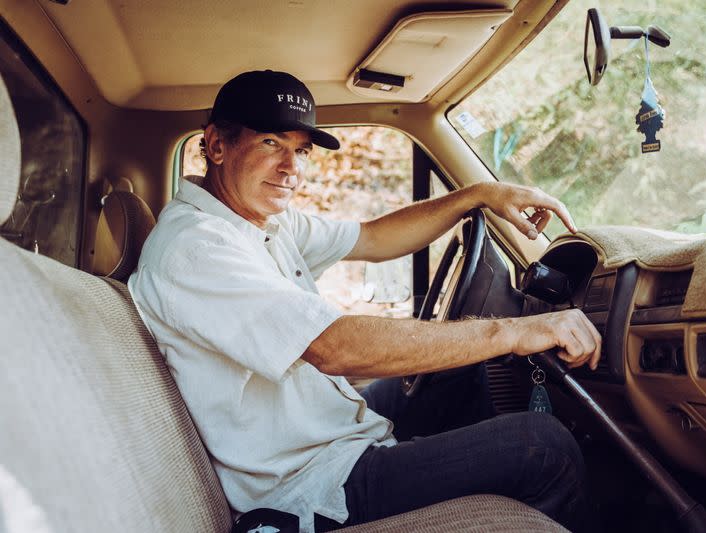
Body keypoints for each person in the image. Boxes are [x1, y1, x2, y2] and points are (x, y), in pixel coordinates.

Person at [128, 70, 601, 533]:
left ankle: (467, 483)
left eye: (301, 150)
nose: (291, 167)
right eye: (271, 143)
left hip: (326, 433)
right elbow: (334, 349)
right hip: (310, 486)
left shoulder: (261, 222)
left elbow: (374, 237)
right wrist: (511, 331)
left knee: (456, 368)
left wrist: (476, 196)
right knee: (546, 448)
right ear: (216, 145)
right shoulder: (197, 247)